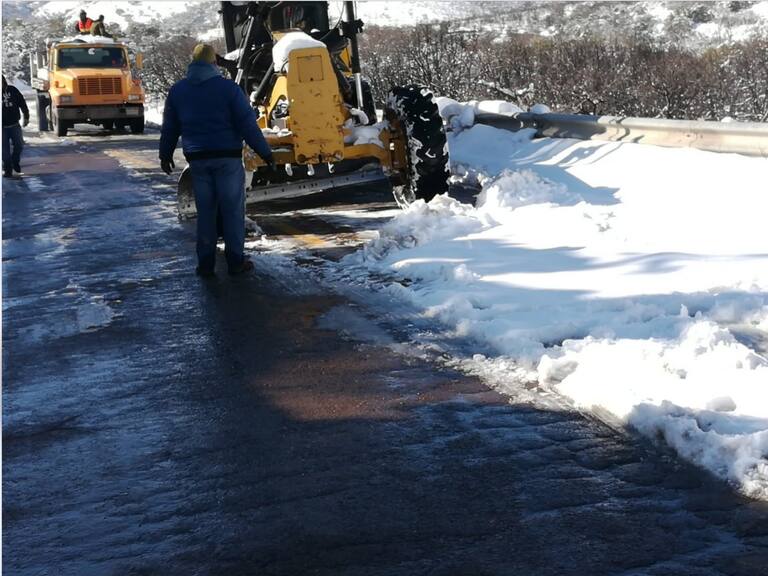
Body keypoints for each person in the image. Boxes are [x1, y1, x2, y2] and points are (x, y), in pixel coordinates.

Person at [159, 44, 274, 277]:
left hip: (198, 162)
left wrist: (165, 153)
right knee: (232, 211)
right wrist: (266, 153)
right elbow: (247, 125)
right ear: (214, 64)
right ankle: (235, 262)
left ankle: (205, 264)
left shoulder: (178, 91)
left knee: (206, 212)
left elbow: (170, 127)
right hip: (227, 160)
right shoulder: (228, 89)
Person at [2, 75, 29, 178]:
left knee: (19, 145)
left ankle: (15, 161)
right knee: (4, 150)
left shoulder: (13, 90)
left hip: (14, 124)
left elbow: (22, 103)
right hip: (2, 127)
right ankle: (7, 169)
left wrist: (26, 116)